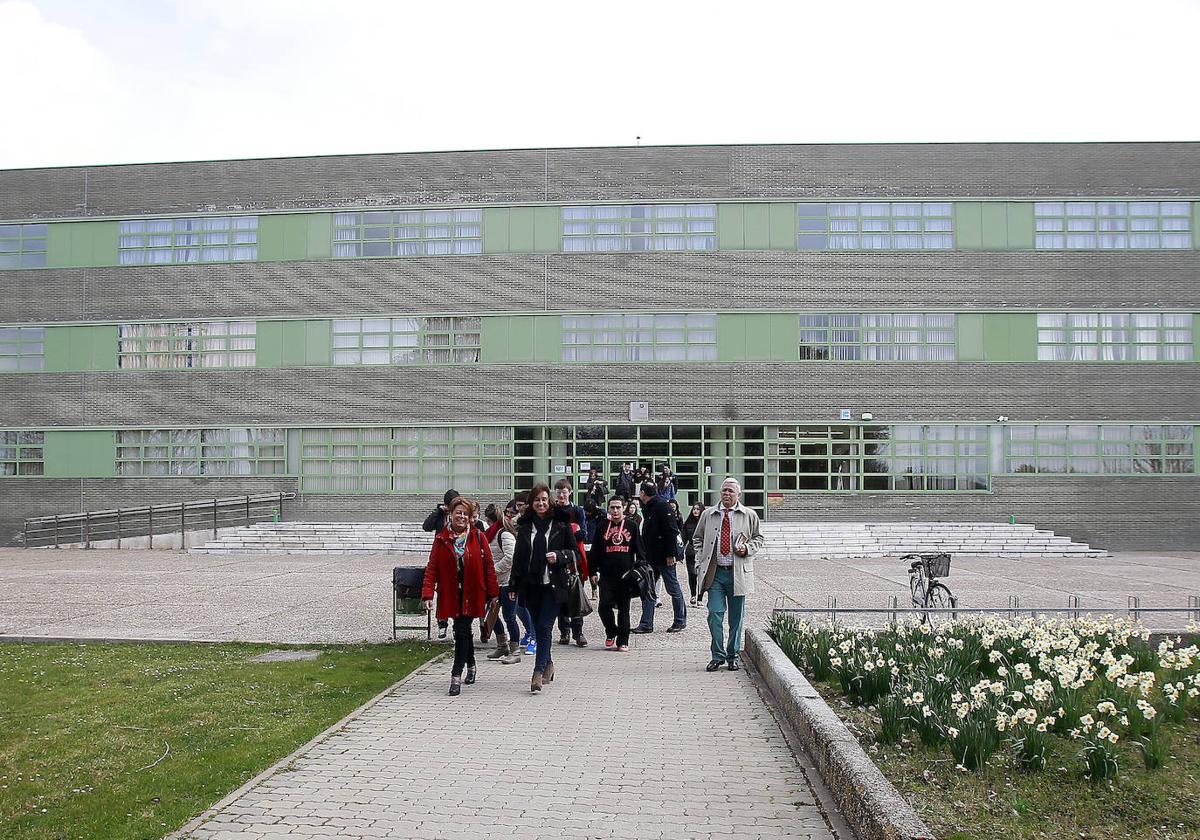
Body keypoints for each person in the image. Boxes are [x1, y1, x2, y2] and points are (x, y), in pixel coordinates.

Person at [421, 496, 499, 695]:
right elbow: (432, 567)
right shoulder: (441, 538)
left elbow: (489, 566)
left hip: (472, 592)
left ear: (470, 516)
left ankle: (455, 675)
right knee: (462, 631)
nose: (462, 516)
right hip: (451, 593)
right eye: (458, 513)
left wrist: (493, 594)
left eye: (465, 513)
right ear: (451, 514)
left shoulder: (478, 536)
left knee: (462, 629)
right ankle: (471, 665)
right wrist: (428, 594)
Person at [510, 482, 580, 693]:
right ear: (531, 503)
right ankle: (548, 663)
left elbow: (574, 552)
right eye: (536, 500)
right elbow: (518, 558)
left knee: (544, 626)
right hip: (531, 586)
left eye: (544, 499)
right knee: (540, 627)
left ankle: (538, 671)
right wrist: (513, 584)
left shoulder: (560, 523)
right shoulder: (525, 527)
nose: (541, 503)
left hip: (553, 585)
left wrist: (559, 556)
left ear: (549, 500)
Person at [692, 477, 763, 672]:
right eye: (724, 490)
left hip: (737, 573)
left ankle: (732, 656)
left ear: (738, 495)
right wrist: (700, 559)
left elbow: (758, 538)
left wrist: (747, 548)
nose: (726, 494)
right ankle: (717, 655)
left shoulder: (749, 515)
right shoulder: (708, 514)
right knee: (714, 614)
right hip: (715, 574)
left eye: (731, 491)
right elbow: (697, 538)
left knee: (735, 618)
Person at [589, 495, 646, 652]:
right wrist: (592, 572)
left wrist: (639, 568)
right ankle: (611, 630)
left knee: (623, 609)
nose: (615, 510)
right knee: (603, 607)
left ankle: (623, 640)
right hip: (606, 575)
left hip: (625, 576)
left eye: (618, 507)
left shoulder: (631, 526)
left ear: (624, 508)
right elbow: (594, 552)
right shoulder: (602, 526)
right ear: (608, 509)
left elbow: (640, 550)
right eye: (612, 507)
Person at [631, 481, 687, 634]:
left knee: (673, 589)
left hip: (664, 557)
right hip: (651, 557)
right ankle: (646, 623)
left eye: (640, 492)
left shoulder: (662, 506)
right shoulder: (648, 507)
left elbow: (671, 531)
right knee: (647, 589)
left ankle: (680, 620)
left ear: (643, 493)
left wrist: (671, 554)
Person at [486, 500, 526, 665]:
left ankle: (515, 650)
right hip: (494, 583)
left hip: (508, 582)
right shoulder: (491, 534)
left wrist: (493, 570)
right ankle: (502, 644)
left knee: (509, 616)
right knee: (491, 615)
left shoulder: (504, 534)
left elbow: (511, 557)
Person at [553, 478, 590, 647]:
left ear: (570, 492)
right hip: (559, 558)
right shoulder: (552, 510)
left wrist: (568, 537)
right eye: (558, 491)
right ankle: (564, 631)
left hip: (575, 558)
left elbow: (584, 533)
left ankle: (578, 631)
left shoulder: (577, 510)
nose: (561, 494)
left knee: (576, 594)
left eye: (564, 491)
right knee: (561, 595)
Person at [421, 489, 460, 642]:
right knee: (442, 592)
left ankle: (458, 626)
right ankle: (442, 623)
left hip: (457, 555)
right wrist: (438, 512)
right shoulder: (440, 516)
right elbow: (426, 526)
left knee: (458, 592)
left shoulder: (460, 514)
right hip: (442, 554)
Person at [681, 502, 705, 607]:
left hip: (702, 552)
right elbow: (683, 538)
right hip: (691, 551)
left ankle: (700, 597)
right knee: (692, 574)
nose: (695, 511)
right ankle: (693, 595)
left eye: (698, 509)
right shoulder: (688, 523)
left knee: (701, 575)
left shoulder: (705, 522)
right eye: (694, 509)